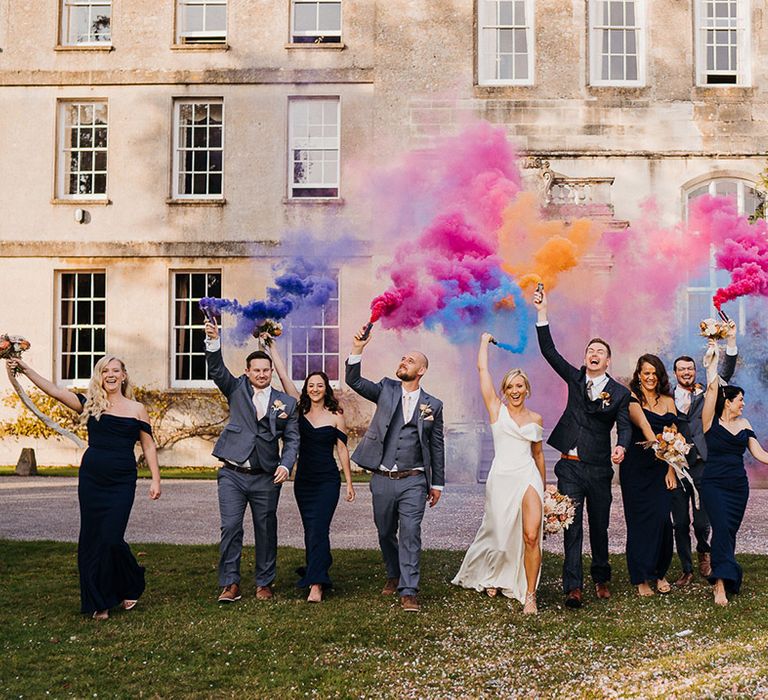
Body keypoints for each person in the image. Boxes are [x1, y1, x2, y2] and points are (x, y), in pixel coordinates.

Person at [7, 355, 161, 620]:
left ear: (124, 375)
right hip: (92, 478)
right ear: (99, 377)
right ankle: (98, 602)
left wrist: (156, 479)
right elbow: (54, 390)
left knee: (112, 537)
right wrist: (25, 368)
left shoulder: (137, 409)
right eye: (104, 371)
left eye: (115, 370)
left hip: (122, 480)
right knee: (92, 537)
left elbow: (147, 445)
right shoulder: (90, 405)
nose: (110, 375)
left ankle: (130, 581)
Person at [532, 288, 631, 608]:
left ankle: (601, 576)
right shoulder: (575, 379)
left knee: (599, 526)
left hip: (600, 467)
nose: (594, 352)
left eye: (600, 350)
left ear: (608, 360)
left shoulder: (619, 393)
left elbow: (625, 426)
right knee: (570, 526)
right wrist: (542, 312)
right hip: (569, 466)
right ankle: (572, 586)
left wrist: (622, 447)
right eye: (590, 349)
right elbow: (549, 351)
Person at [345, 325, 445, 612]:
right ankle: (393, 571)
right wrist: (358, 348)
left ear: (422, 370)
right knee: (385, 530)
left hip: (414, 479)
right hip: (383, 477)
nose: (403, 362)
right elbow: (354, 380)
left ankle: (409, 589)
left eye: (410, 360)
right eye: (402, 358)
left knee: (411, 531)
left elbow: (436, 446)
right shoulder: (386, 389)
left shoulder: (433, 405)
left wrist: (436, 484)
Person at [205, 320, 300, 604]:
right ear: (247, 372)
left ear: (271, 372)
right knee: (231, 526)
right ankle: (230, 583)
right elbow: (217, 369)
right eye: (256, 370)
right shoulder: (235, 389)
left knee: (266, 528)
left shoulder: (287, 403)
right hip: (232, 473)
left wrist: (286, 465)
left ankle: (264, 582)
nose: (261, 374)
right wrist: (214, 342)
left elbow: (293, 439)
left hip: (267, 475)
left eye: (265, 370)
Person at [452, 333, 545, 614]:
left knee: (531, 535)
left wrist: (545, 488)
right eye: (510, 387)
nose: (515, 391)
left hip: (528, 477)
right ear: (504, 390)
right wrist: (483, 342)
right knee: (498, 533)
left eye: (519, 386)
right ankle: (493, 575)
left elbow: (538, 454)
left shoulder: (536, 419)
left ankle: (530, 594)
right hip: (501, 477)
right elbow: (482, 370)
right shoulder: (496, 410)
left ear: (527, 389)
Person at [270, 344, 356, 603]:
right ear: (306, 389)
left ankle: (316, 584)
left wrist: (349, 483)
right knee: (312, 530)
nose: (315, 389)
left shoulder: (336, 416)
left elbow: (342, 451)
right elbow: (284, 377)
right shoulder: (298, 410)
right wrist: (272, 347)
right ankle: (318, 567)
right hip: (304, 481)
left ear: (326, 389)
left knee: (319, 528)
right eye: (311, 385)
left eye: (320, 385)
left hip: (328, 481)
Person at [700, 341, 768, 606]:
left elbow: (761, 454)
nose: (743, 404)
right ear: (727, 402)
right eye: (740, 400)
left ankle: (728, 574)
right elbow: (712, 390)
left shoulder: (745, 424)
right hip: (714, 484)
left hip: (738, 487)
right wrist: (712, 363)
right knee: (720, 529)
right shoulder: (710, 422)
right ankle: (720, 584)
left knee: (728, 531)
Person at [670, 322, 738, 586]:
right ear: (674, 372)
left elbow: (727, 371)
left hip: (702, 464)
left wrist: (728, 344)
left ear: (695, 370)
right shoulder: (667, 396)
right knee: (679, 522)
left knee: (701, 521)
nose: (686, 372)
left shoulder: (708, 391)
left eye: (690, 368)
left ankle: (704, 552)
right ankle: (686, 568)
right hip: (676, 465)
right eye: (681, 369)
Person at [621, 354, 679, 596]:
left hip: (661, 469)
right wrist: (659, 447)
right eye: (646, 372)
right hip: (636, 468)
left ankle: (660, 572)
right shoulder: (632, 398)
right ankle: (641, 578)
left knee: (664, 521)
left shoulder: (668, 401)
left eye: (655, 372)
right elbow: (645, 428)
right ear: (638, 375)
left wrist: (671, 469)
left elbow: (674, 437)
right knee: (638, 523)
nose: (650, 377)